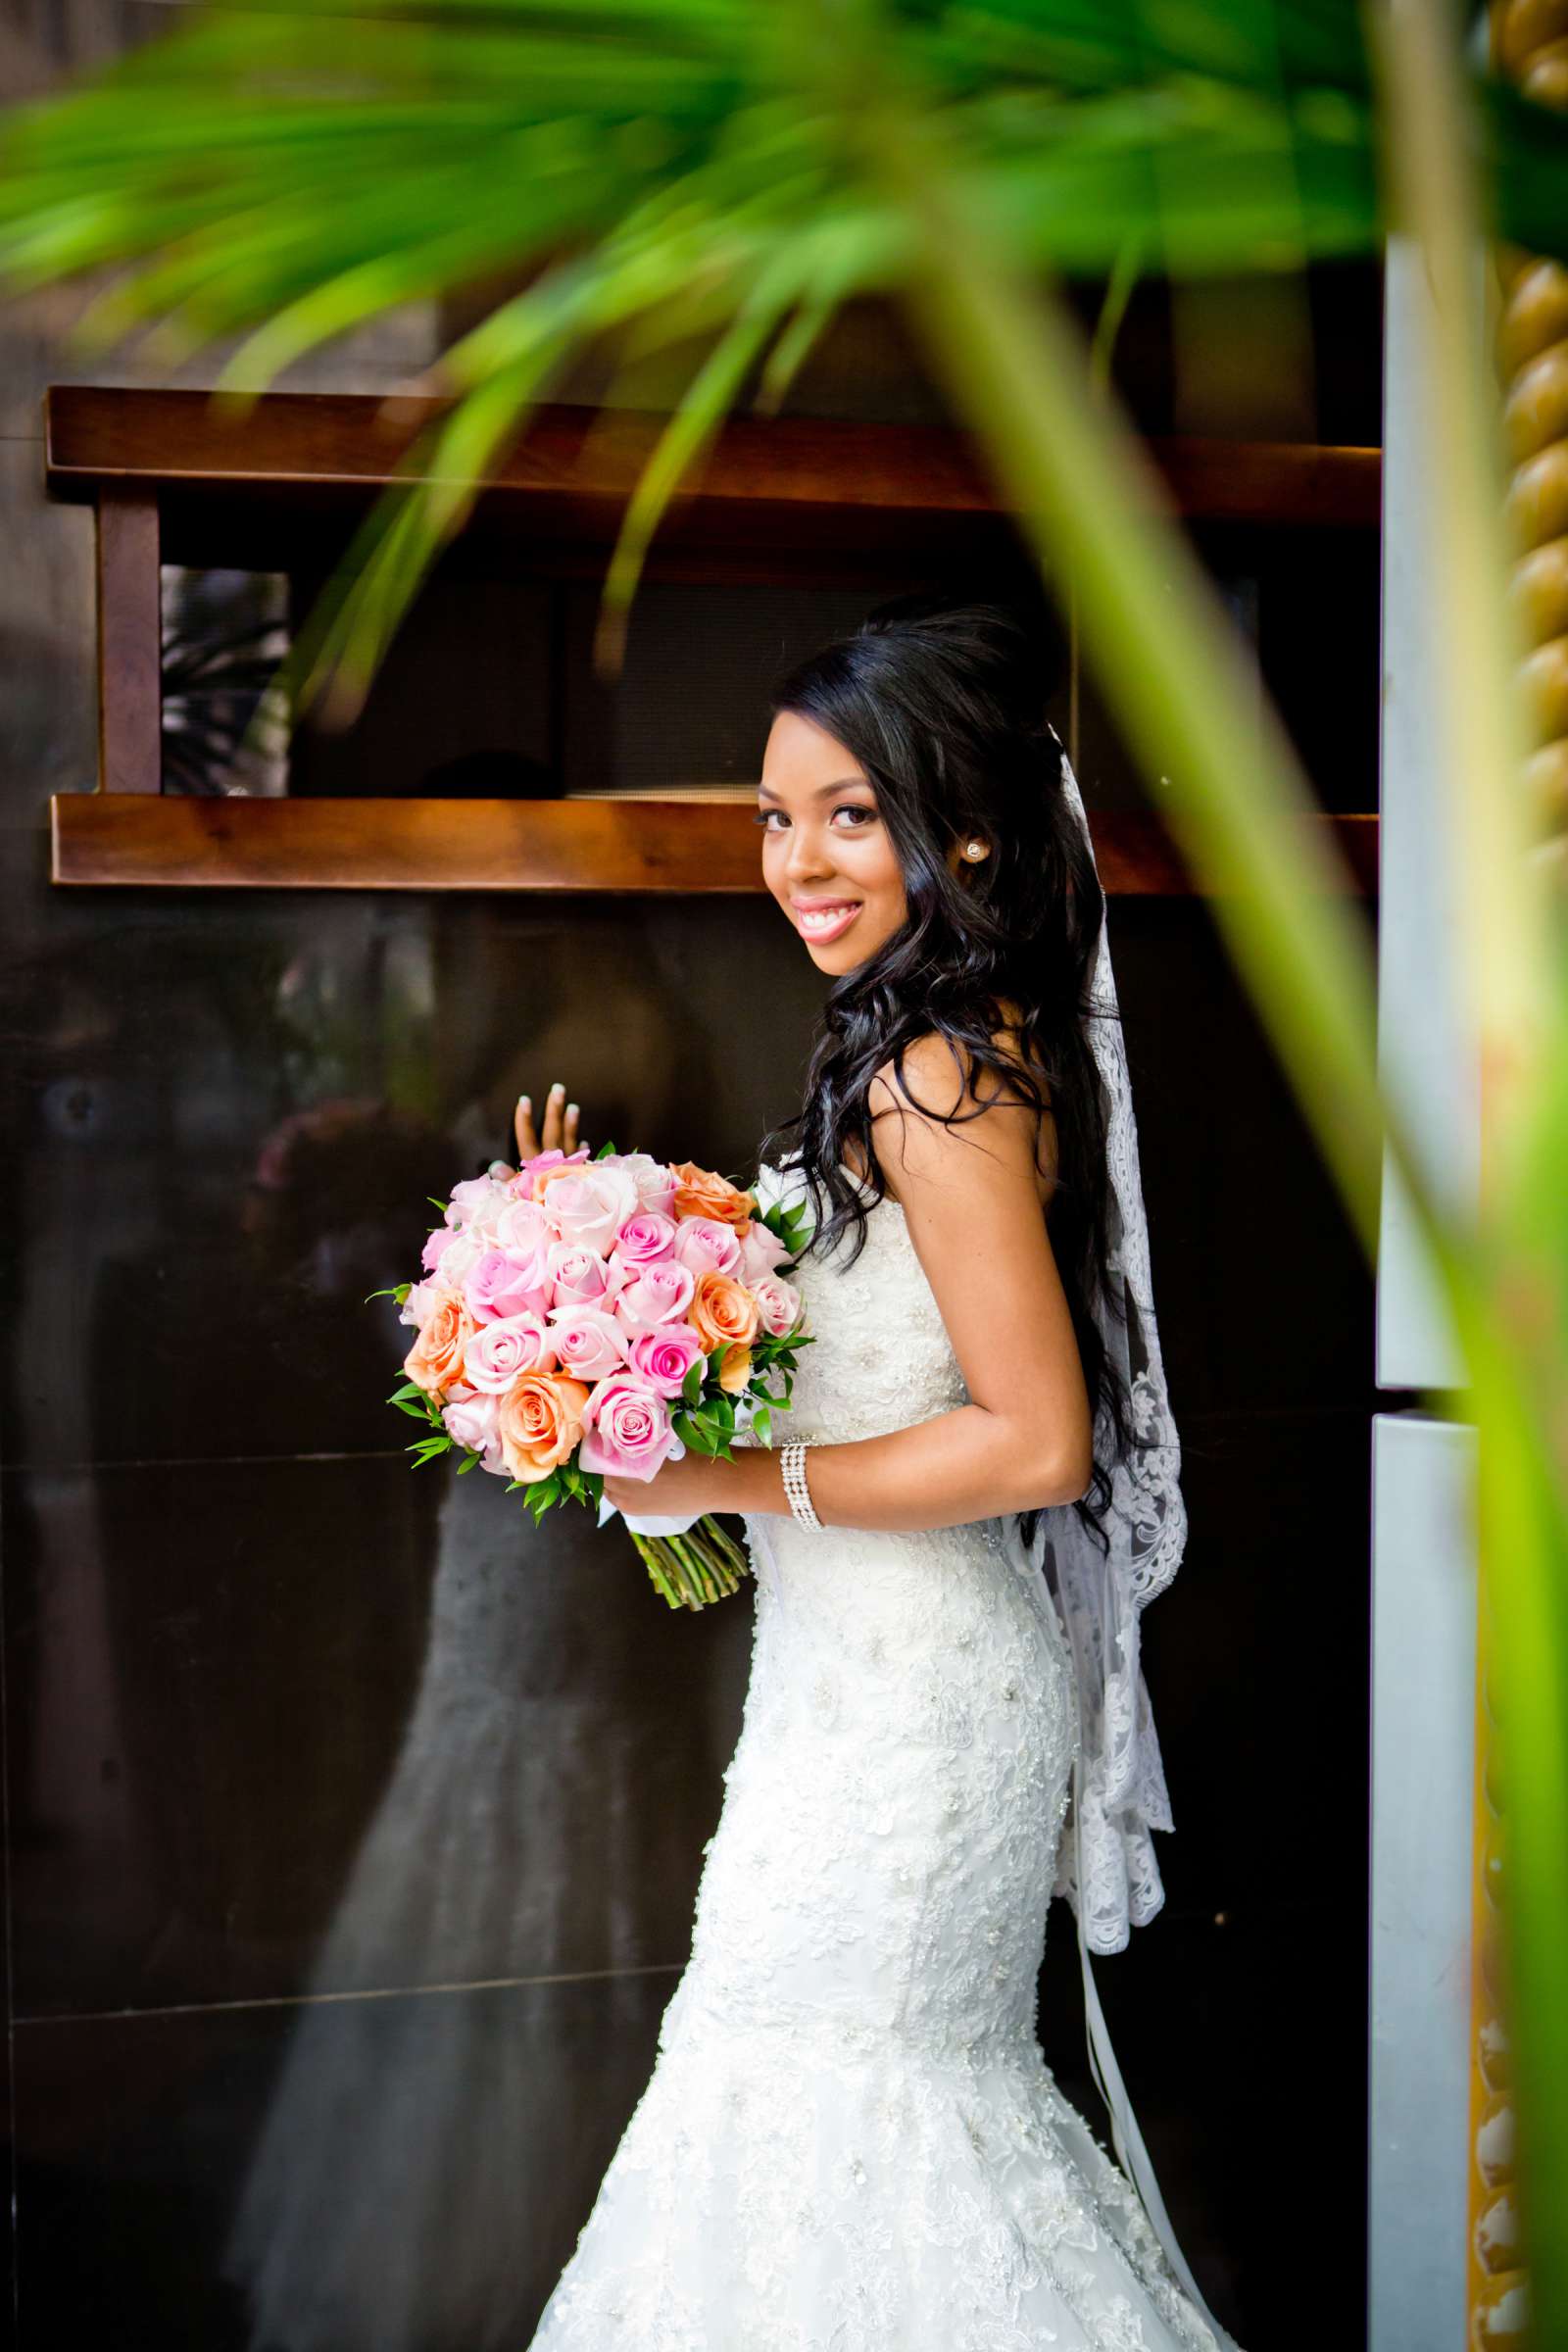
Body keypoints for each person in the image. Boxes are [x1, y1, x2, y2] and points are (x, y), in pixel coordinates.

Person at [520, 597, 1242, 2351]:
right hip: (848, 1681)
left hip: (913, 1716)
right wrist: (579, 1263)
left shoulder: (936, 1073)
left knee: (855, 2118)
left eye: (853, 813)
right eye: (779, 816)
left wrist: (731, 1477)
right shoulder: (920, 1045)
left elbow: (1035, 1436)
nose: (802, 860)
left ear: (966, 831)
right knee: (804, 2117)